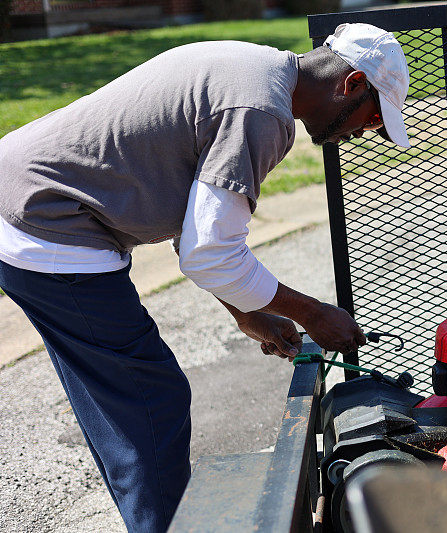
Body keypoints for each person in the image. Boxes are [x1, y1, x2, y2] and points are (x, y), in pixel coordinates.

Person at [0, 22, 410, 532]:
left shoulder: (254, 72)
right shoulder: (260, 114)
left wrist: (249, 313)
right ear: (350, 84)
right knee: (150, 399)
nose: (364, 131)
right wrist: (312, 313)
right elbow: (209, 253)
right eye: (372, 117)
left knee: (125, 408)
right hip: (48, 224)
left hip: (28, 201)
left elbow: (193, 228)